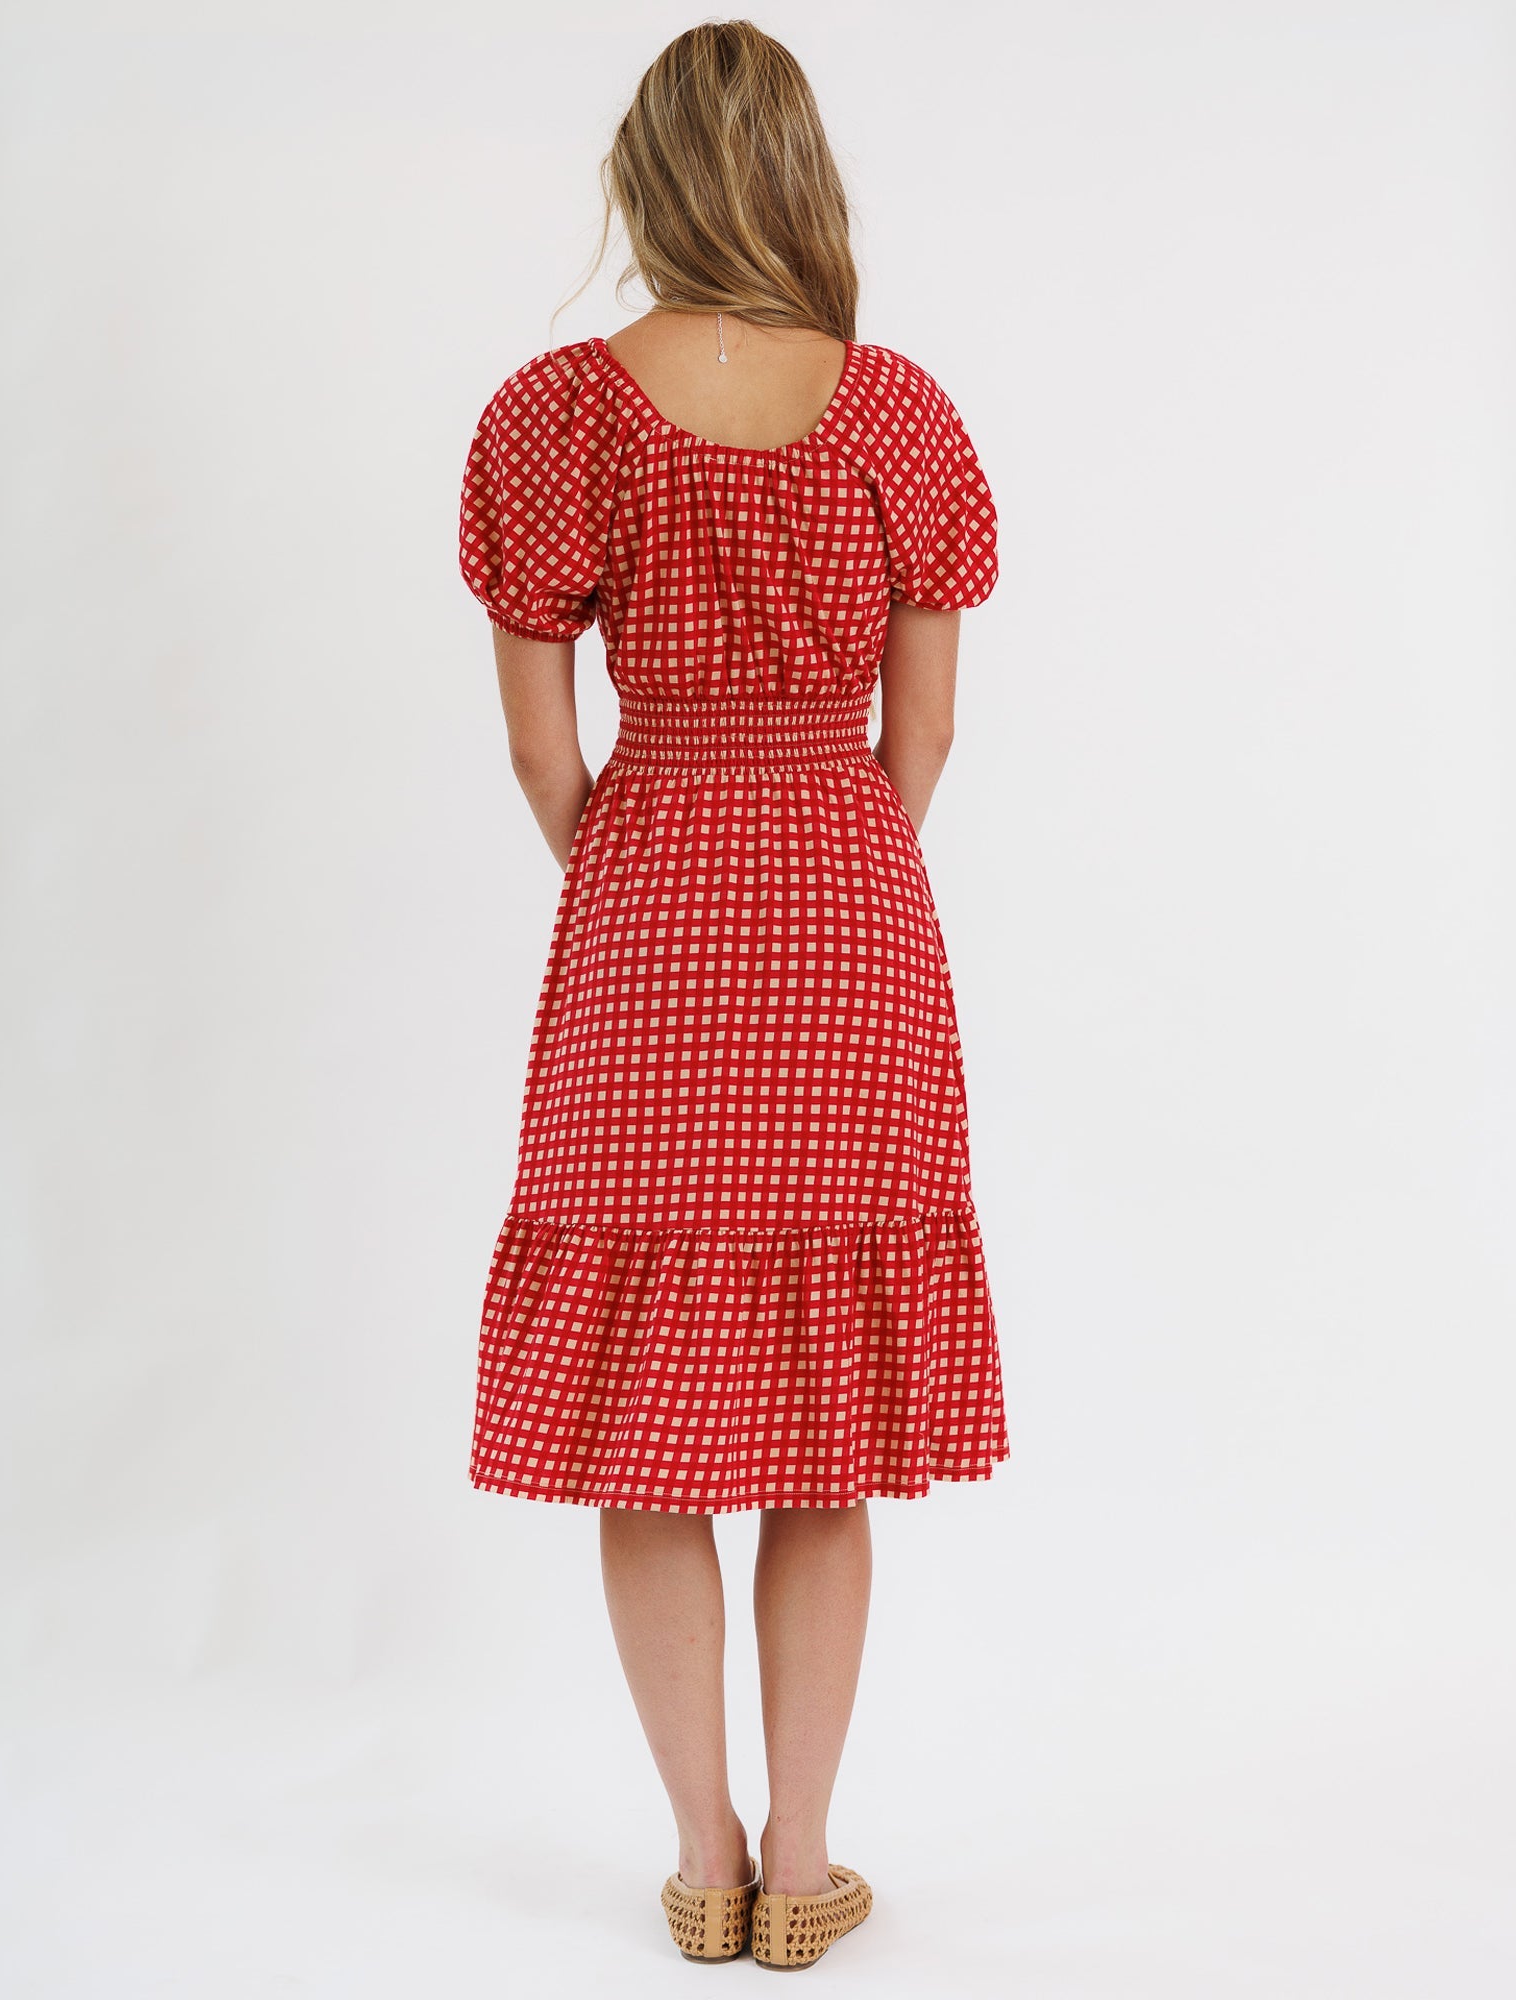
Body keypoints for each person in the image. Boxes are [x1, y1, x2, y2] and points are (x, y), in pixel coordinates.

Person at [457, 20, 1009, 1971]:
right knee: (819, 1417)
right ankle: (803, 1860)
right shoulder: (898, 415)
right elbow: (923, 734)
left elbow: (542, 755)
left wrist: (647, 874)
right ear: (795, 173)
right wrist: (826, 869)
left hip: (644, 909)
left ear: (647, 179)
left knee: (647, 1412)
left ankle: (699, 1858)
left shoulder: (552, 419)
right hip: (850, 912)